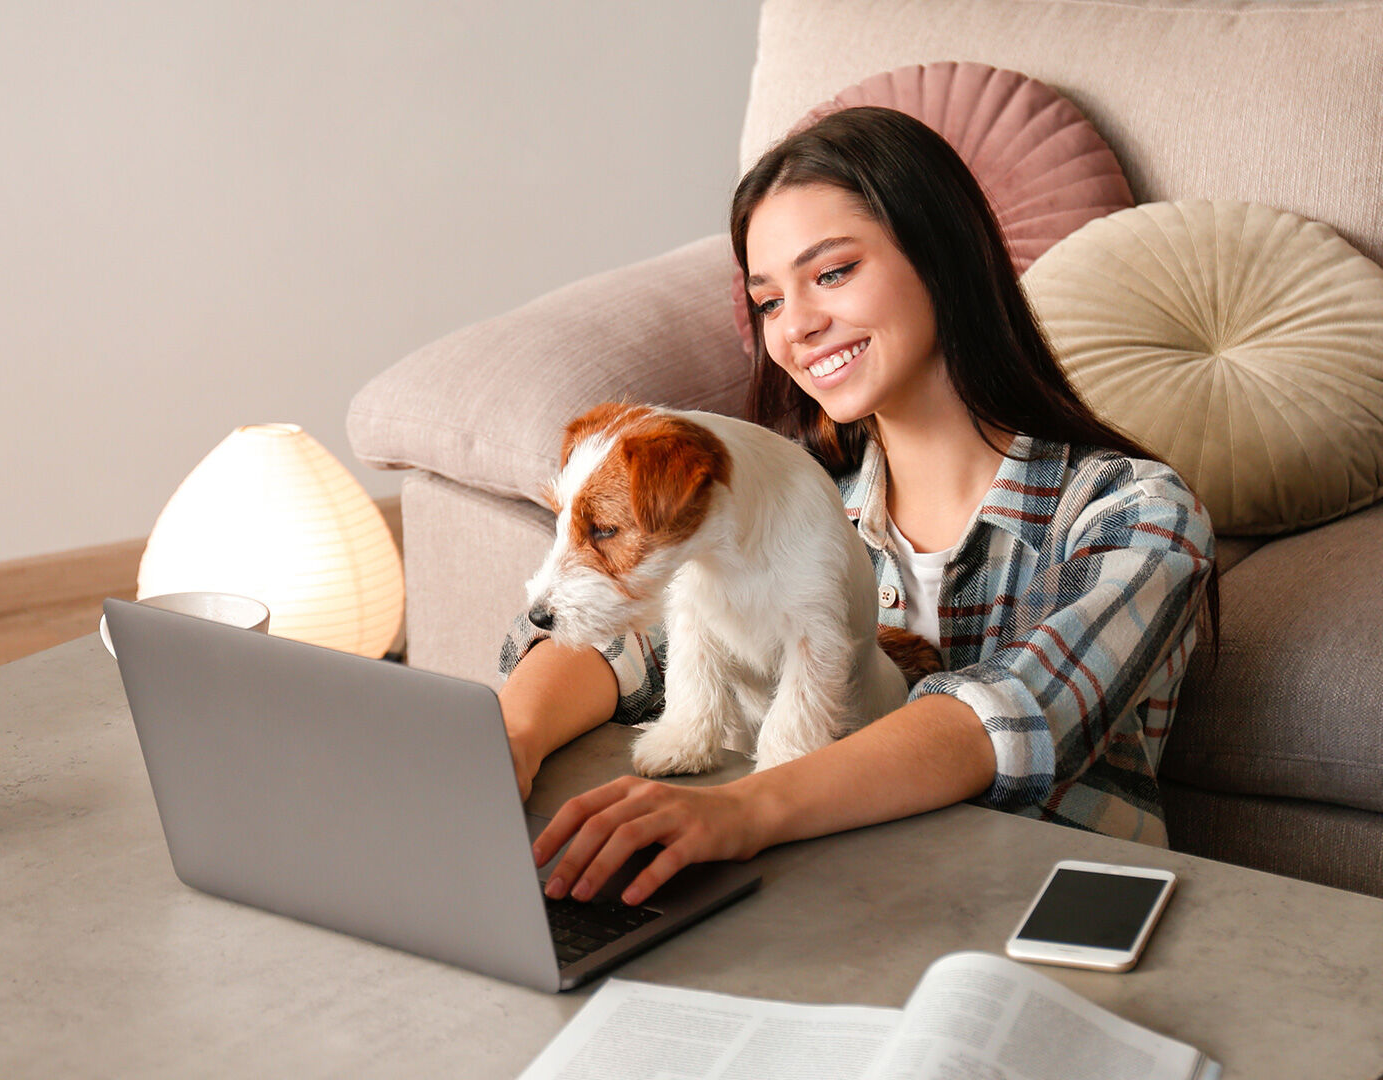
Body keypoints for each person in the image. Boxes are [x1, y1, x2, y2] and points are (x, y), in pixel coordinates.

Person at [501, 106, 1217, 909]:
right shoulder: (798, 501)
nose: (798, 326)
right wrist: (509, 735)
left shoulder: (1134, 516)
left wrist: (743, 810)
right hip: (836, 908)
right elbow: (629, 647)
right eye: (769, 301)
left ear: (942, 259)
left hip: (1037, 916)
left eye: (832, 273)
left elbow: (1013, 716)